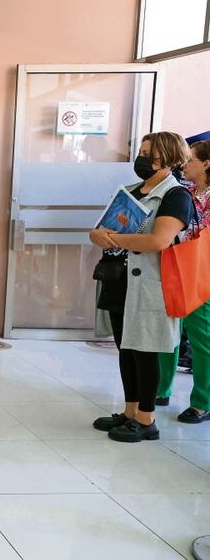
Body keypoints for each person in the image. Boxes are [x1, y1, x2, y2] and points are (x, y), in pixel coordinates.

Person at [90, 131, 192, 443]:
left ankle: (147, 419)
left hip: (150, 285)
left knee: (145, 351)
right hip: (119, 280)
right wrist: (98, 235)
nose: (141, 158)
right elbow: (101, 229)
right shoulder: (131, 191)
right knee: (126, 348)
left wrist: (113, 239)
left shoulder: (176, 196)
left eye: (148, 153)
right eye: (142, 152)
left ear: (167, 158)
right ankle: (130, 411)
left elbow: (159, 241)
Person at [156, 139, 210, 424]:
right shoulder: (183, 192)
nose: (184, 165)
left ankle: (203, 402)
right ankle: (160, 389)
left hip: (202, 274)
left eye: (190, 160)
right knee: (168, 331)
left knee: (201, 339)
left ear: (206, 164)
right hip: (175, 267)